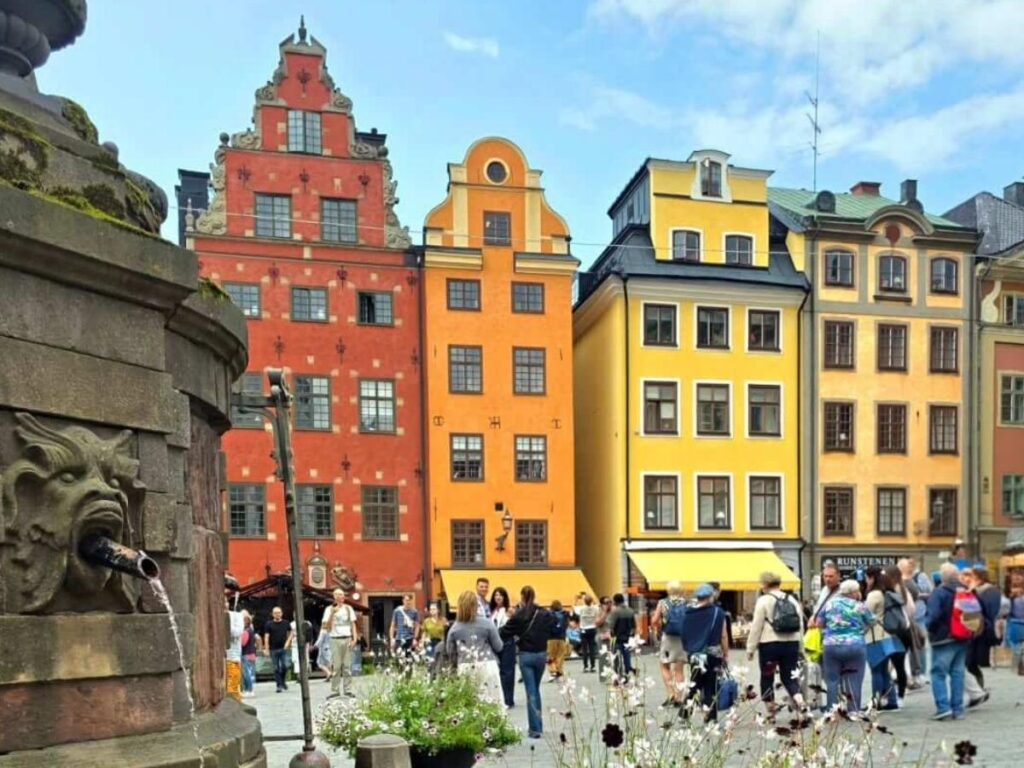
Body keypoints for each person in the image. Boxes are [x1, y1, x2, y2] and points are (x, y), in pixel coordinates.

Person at [746, 572, 805, 715]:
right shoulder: (791, 599)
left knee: (767, 676)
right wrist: (801, 647)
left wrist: (751, 648)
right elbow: (800, 624)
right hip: (791, 643)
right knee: (789, 677)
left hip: (769, 644)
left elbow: (756, 626)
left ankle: (771, 712)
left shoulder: (764, 600)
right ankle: (800, 700)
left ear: (764, 585)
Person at [500, 585, 553, 739]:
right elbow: (554, 627)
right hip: (541, 655)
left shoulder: (518, 615)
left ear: (522, 597)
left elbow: (504, 632)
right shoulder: (544, 614)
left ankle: (535, 729)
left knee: (531, 691)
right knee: (535, 689)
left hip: (526, 655)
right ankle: (538, 724)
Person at [818, 579, 874, 713]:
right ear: (854, 592)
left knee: (832, 679)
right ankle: (853, 710)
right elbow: (872, 620)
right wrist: (861, 629)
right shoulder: (859, 606)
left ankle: (832, 710)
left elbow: (819, 622)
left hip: (831, 646)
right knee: (854, 679)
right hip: (855, 646)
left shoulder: (829, 604)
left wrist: (829, 631)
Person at [679, 583, 729, 722]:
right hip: (713, 653)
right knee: (711, 685)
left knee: (695, 684)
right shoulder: (717, 612)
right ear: (710, 597)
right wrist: (726, 653)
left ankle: (685, 714)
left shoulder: (687, 612)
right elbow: (723, 635)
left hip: (694, 654)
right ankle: (710, 716)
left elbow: (683, 633)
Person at [927, 562, 970, 720]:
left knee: (938, 673)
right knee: (958, 674)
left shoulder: (939, 593)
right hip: (962, 637)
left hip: (943, 638)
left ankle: (943, 707)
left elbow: (933, 616)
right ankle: (958, 709)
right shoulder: (965, 591)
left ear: (942, 577)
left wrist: (929, 629)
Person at [446, 590, 503, 702]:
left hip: (465, 666)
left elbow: (450, 652)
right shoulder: (487, 624)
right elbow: (499, 646)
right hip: (487, 665)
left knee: (470, 704)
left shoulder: (454, 628)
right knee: (493, 703)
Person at [964, 564, 1001, 708]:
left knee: (972, 661)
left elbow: (986, 611)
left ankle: (977, 691)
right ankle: (977, 691)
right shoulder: (982, 590)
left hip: (982, 630)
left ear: (978, 577)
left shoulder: (989, 591)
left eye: (971, 576)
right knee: (971, 662)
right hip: (978, 630)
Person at [863, 567, 899, 710]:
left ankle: (876, 701)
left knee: (876, 670)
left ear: (871, 578)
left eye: (867, 578)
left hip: (875, 637)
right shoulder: (886, 592)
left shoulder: (874, 595)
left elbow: (865, 615)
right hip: (887, 635)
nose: (866, 581)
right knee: (884, 671)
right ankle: (892, 700)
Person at [652, 581, 689, 707]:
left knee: (664, 665)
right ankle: (680, 698)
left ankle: (671, 694)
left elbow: (654, 620)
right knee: (679, 669)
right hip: (683, 639)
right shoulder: (686, 603)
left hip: (668, 638)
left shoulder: (663, 603)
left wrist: (660, 626)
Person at [323, 588, 359, 699]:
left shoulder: (349, 609)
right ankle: (335, 690)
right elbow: (325, 626)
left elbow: (353, 624)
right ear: (334, 597)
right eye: (338, 595)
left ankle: (348, 689)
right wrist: (332, 615)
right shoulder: (329, 609)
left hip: (347, 638)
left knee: (347, 666)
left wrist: (355, 638)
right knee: (336, 666)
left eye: (342, 595)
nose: (340, 597)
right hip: (335, 638)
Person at [490, 587, 516, 708]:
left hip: (507, 642)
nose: (498, 597)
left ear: (505, 597)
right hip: (495, 642)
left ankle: (508, 699)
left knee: (508, 671)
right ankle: (500, 698)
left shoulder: (509, 610)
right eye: (496, 595)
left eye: (500, 595)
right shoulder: (492, 611)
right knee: (498, 671)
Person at [263, 606, 293, 693]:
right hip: (273, 649)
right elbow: (266, 637)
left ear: (282, 613)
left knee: (284, 666)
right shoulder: (269, 624)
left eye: (279, 613)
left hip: (283, 648)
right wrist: (266, 648)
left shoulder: (286, 623)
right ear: (272, 614)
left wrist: (288, 642)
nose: (277, 614)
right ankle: (279, 685)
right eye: (275, 613)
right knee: (276, 667)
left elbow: (291, 633)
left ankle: (283, 681)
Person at [607, 593, 637, 678]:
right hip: (627, 637)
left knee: (616, 656)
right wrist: (632, 635)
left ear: (615, 601)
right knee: (626, 655)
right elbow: (634, 626)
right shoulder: (630, 611)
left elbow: (611, 626)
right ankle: (628, 670)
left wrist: (611, 635)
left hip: (616, 638)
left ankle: (617, 673)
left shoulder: (615, 612)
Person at [225, 597, 244, 702]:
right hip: (217, 660)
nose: (224, 604)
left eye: (225, 601)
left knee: (232, 689)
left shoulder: (236, 616)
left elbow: (236, 633)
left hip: (232, 657)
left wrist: (225, 620)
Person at [575, 594, 599, 673]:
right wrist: (593, 600)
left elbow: (575, 608)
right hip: (592, 628)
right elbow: (597, 605)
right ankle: (593, 666)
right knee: (592, 648)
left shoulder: (581, 608)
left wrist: (576, 599)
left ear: (584, 601)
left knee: (584, 649)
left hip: (583, 629)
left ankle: (585, 666)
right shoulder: (595, 608)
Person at [547, 600, 569, 680]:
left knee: (551, 655)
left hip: (551, 638)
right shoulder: (565, 615)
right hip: (561, 637)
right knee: (560, 655)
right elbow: (566, 625)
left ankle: (553, 671)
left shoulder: (549, 615)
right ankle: (559, 670)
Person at [1007, 578, 1024, 674]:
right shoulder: (1011, 599)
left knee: (1017, 647)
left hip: (1016, 624)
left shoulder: (1013, 600)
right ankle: (1020, 666)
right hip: (1015, 624)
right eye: (1013, 587)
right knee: (1017, 647)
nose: (1014, 590)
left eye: (1016, 587)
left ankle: (1019, 666)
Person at [240, 610, 259, 697]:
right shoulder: (251, 629)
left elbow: (243, 643)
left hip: (246, 654)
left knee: (246, 673)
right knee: (249, 672)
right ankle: (248, 689)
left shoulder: (246, 631)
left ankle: (249, 689)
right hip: (251, 653)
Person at [595, 595, 614, 678]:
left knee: (613, 657)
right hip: (602, 637)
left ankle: (614, 675)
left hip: (612, 637)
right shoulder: (599, 612)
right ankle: (604, 676)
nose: (609, 604)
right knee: (603, 657)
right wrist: (605, 613)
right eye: (606, 603)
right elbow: (597, 623)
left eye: (610, 602)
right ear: (602, 604)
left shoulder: (614, 611)